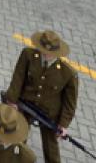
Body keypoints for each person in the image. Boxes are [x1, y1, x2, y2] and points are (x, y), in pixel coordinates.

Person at [4, 30, 78, 163]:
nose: (46, 54)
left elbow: (70, 103)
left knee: (51, 150)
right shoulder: (28, 55)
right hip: (26, 104)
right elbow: (18, 78)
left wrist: (63, 125)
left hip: (49, 114)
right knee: (18, 140)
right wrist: (12, 100)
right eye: (43, 50)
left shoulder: (68, 73)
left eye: (49, 53)